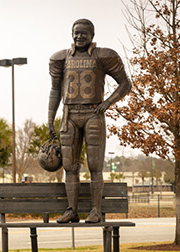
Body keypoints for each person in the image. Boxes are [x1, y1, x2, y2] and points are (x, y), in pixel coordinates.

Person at [47, 18, 131, 223]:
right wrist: (50, 119)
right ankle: (71, 210)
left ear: (92, 35)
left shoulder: (103, 56)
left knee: (95, 165)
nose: (79, 36)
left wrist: (108, 102)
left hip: (93, 113)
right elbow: (55, 90)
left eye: (84, 33)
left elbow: (125, 84)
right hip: (70, 115)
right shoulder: (61, 58)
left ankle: (95, 210)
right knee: (69, 166)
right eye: (76, 32)